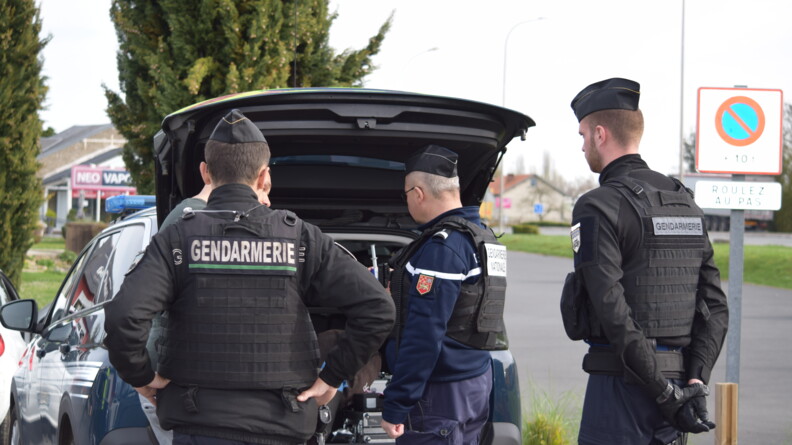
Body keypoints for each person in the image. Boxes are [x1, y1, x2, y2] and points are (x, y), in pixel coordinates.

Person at [104, 109, 395, 445]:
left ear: (205, 172)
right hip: (282, 425)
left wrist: (140, 376)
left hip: (200, 424)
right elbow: (379, 307)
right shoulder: (302, 239)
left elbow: (123, 316)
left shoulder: (177, 239)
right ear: (264, 177)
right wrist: (333, 376)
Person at [563, 78, 729, 445]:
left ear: (601, 134)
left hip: (622, 389)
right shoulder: (685, 202)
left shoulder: (597, 205)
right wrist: (695, 381)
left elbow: (611, 308)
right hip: (679, 390)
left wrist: (659, 390)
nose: (582, 146)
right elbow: (715, 306)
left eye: (583, 135)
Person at [381, 144, 508, 444]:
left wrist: (397, 404)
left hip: (441, 394)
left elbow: (424, 335)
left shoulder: (442, 248)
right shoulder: (482, 238)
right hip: (475, 382)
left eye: (406, 195)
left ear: (418, 193)